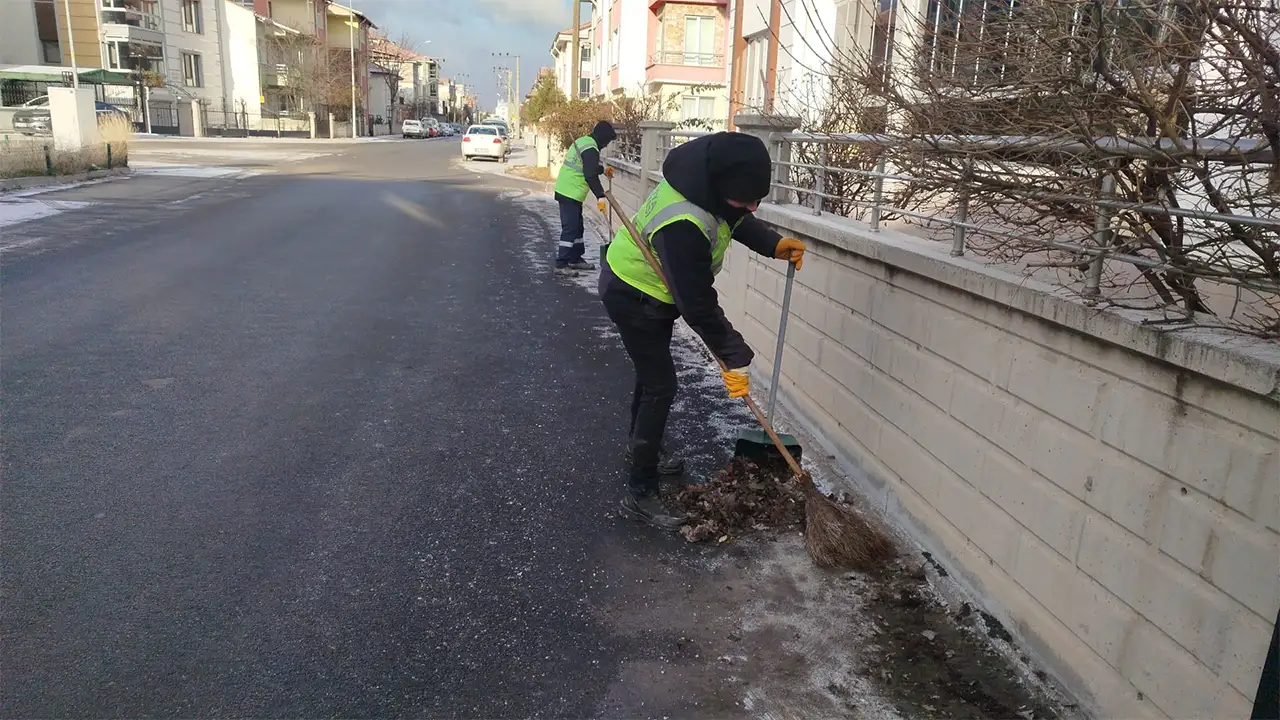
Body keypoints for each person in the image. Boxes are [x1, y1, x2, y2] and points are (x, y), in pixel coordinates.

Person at [599, 131, 807, 528]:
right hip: (633, 294)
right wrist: (734, 355)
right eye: (746, 199)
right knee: (661, 385)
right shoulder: (682, 222)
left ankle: (642, 448)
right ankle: (641, 490)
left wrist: (772, 244)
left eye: (757, 198)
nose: (753, 206)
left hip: (651, 295)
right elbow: (696, 303)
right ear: (718, 185)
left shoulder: (704, 187)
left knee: (651, 378)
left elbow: (733, 217)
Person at [554, 120, 618, 276]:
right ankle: (561, 264)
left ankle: (575, 258)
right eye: (608, 141)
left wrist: (603, 170)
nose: (606, 145)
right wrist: (600, 196)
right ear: (603, 138)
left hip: (570, 190)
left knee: (578, 226)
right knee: (570, 228)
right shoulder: (591, 148)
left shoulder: (584, 141)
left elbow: (588, 167)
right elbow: (589, 174)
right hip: (569, 191)